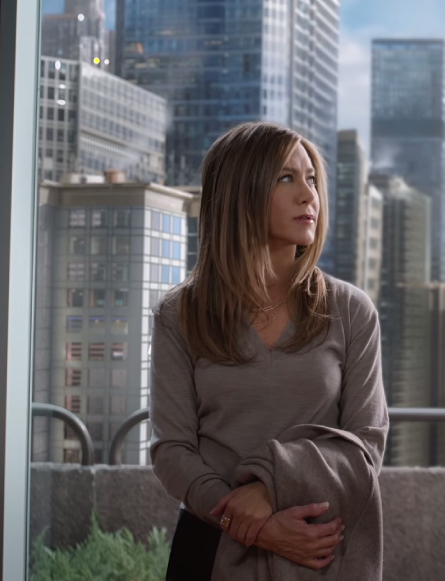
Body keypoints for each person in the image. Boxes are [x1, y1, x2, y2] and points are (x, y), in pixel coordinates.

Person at [150, 121, 389, 580]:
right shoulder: (178, 315)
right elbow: (172, 450)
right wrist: (246, 523)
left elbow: (367, 445)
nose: (308, 195)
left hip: (316, 547)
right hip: (208, 543)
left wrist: (268, 489)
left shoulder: (351, 310)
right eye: (286, 178)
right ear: (240, 193)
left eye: (312, 179)